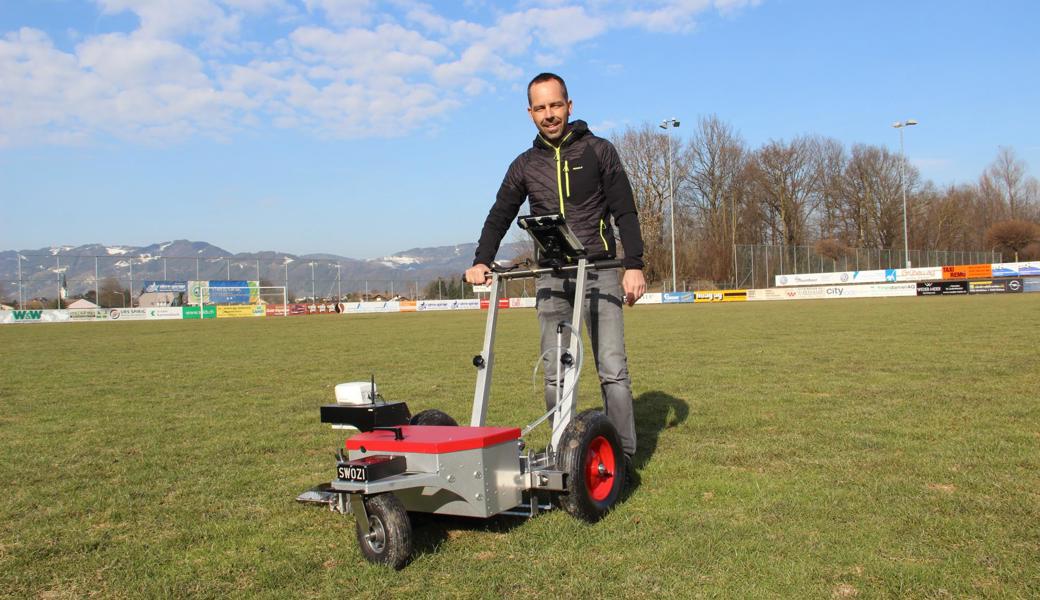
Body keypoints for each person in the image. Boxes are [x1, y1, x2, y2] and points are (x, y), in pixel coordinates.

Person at [464, 72, 646, 462]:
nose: (549, 114)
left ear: (569, 105)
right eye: (541, 108)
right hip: (552, 277)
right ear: (530, 113)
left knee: (612, 369)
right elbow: (500, 215)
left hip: (600, 270)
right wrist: (481, 259)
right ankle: (566, 454)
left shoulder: (599, 151)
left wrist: (634, 264)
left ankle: (623, 457)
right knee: (556, 373)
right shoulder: (524, 165)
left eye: (555, 105)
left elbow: (625, 211)